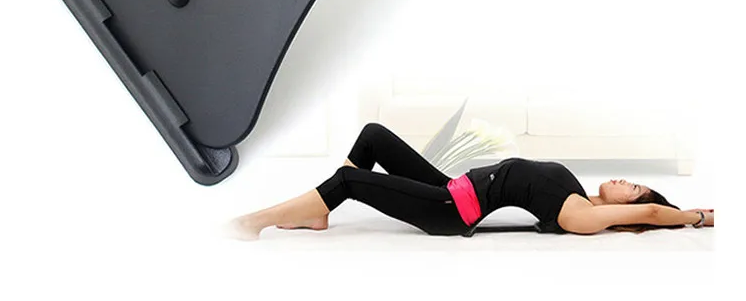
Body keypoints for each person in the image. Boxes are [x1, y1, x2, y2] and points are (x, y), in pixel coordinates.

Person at [226, 122, 714, 240]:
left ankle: (260, 221)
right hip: (451, 187)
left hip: (449, 210)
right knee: (373, 137)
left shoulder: (580, 215)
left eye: (633, 188)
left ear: (627, 210)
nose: (626, 183)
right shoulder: (576, 192)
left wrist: (694, 217)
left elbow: (653, 212)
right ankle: (320, 211)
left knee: (349, 180)